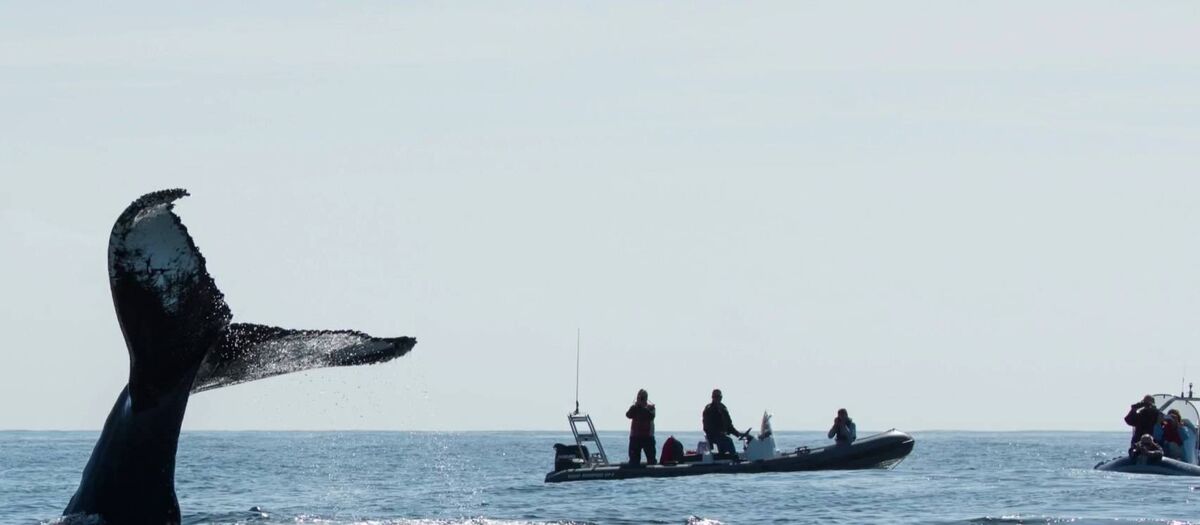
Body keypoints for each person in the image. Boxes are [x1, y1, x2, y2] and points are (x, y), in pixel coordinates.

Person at [702, 389, 750, 458]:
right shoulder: (709, 410)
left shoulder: (723, 409)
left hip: (721, 436)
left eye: (719, 397)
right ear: (712, 397)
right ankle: (734, 458)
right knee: (728, 441)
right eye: (716, 397)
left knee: (726, 440)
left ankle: (727, 458)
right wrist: (719, 433)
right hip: (713, 436)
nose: (718, 399)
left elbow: (729, 426)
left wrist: (738, 434)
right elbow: (707, 426)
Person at [625, 389, 656, 465]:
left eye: (643, 398)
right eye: (640, 397)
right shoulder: (634, 408)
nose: (641, 399)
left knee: (651, 460)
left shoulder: (651, 408)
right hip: (635, 438)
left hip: (648, 438)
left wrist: (642, 407)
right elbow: (628, 415)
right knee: (634, 461)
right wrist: (636, 406)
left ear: (646, 398)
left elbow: (650, 416)